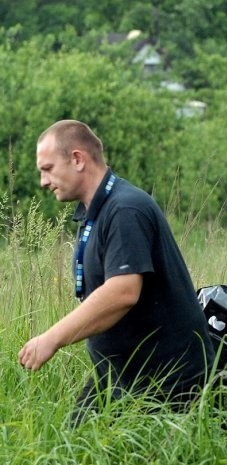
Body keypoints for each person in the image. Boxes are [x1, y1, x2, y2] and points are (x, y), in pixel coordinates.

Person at [18, 120, 215, 424]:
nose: (43, 181)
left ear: (77, 159)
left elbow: (123, 291)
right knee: (76, 452)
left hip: (166, 381)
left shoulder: (125, 209)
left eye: (47, 168)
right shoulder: (96, 211)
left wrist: (52, 338)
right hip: (118, 374)